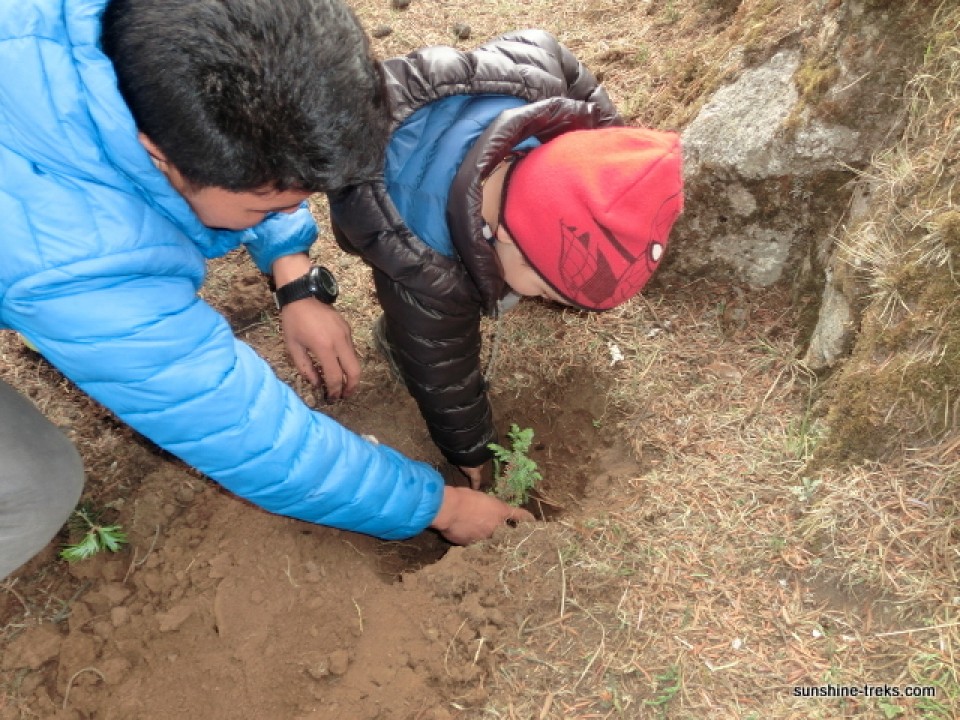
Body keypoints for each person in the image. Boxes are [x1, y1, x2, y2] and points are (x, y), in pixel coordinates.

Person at [0, 0, 530, 581]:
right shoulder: (79, 257)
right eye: (269, 207)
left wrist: (293, 273)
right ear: (159, 155)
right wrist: (443, 508)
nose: (288, 210)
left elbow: (255, 140)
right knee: (37, 486)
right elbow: (250, 438)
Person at [328, 31, 685, 488]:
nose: (553, 305)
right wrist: (473, 455)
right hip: (379, 186)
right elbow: (443, 370)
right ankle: (390, 336)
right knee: (423, 328)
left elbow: (551, 52)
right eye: (545, 291)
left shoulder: (546, 85)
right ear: (505, 240)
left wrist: (606, 162)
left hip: (462, 134)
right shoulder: (421, 260)